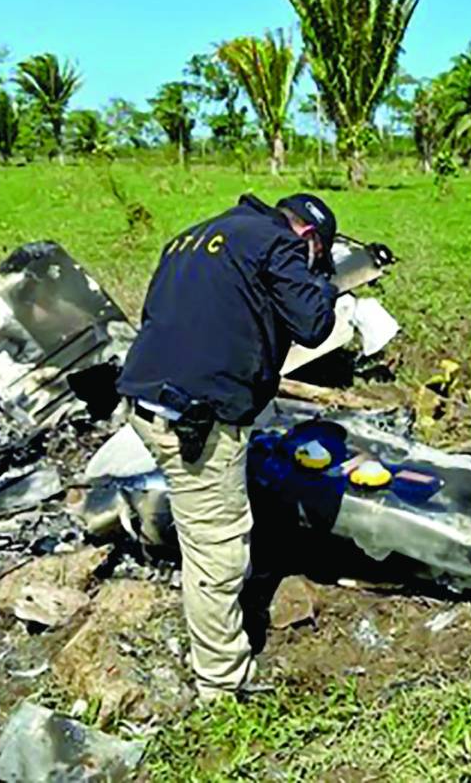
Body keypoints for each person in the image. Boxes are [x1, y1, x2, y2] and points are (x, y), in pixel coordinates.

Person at [116, 192, 339, 701]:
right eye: (316, 256)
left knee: (206, 522)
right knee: (218, 551)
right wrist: (324, 283)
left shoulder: (193, 237)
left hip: (147, 403)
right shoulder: (279, 244)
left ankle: (215, 621)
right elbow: (312, 324)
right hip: (195, 420)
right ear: (307, 237)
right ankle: (221, 684)